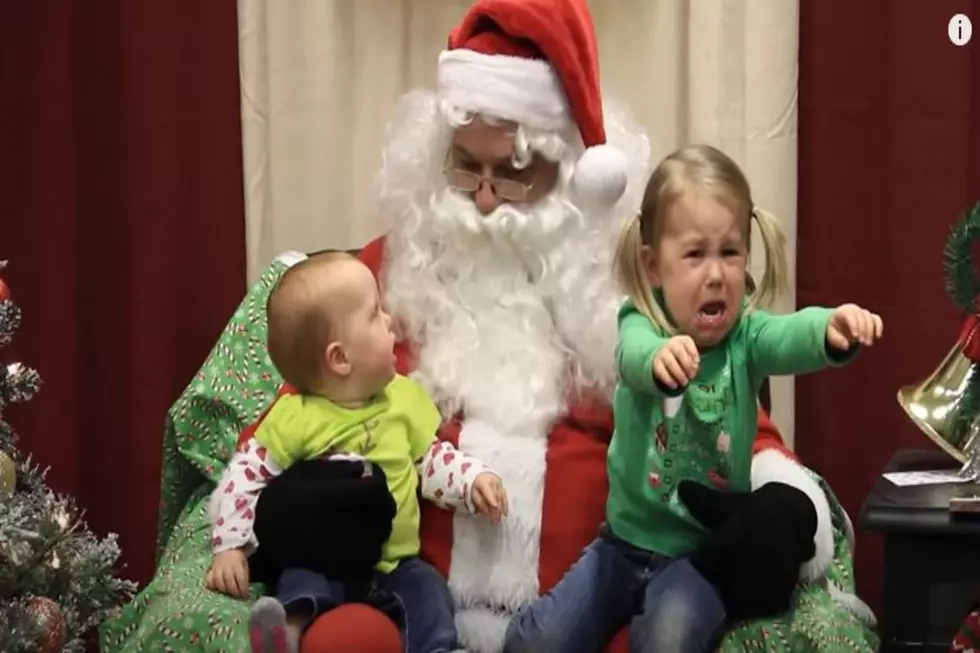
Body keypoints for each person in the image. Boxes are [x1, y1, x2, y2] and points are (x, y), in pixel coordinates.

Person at [248, 0, 861, 651]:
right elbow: (303, 402)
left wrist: (783, 507)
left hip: (588, 606)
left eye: (513, 171)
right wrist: (292, 504)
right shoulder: (388, 276)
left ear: (572, 171)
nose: (484, 198)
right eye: (464, 166)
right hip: (414, 599)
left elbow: (730, 410)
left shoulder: (633, 294)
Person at [502, 144, 883, 652]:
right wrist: (658, 360)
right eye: (695, 254)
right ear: (653, 265)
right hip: (621, 545)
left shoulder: (746, 336)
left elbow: (788, 335)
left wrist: (830, 328)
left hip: (700, 557)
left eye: (730, 252)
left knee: (666, 639)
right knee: (539, 642)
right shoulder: (641, 322)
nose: (715, 274)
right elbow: (635, 357)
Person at [206, 252, 506, 653]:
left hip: (396, 564)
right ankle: (287, 636)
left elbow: (431, 460)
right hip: (322, 558)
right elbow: (244, 474)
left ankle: (437, 648)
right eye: (375, 314)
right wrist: (230, 547)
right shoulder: (295, 415)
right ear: (340, 357)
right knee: (300, 582)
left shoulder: (404, 398)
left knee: (430, 592)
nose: (389, 321)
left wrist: (473, 481)